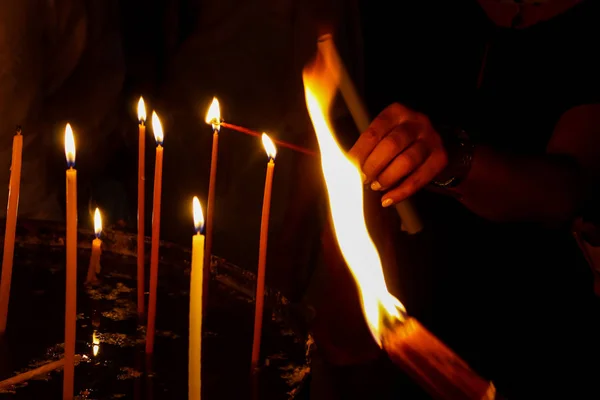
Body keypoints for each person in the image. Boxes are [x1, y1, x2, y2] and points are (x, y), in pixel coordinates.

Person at [333, 0, 600, 398]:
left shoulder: (587, 29)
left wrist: (451, 157)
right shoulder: (410, 13)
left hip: (534, 325)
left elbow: (565, 191)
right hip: (411, 308)